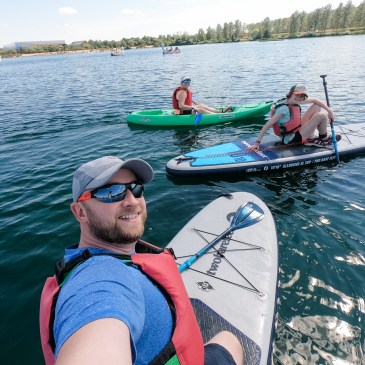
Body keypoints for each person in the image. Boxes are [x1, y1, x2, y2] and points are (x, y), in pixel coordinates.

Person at [39, 156, 244, 365]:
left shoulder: (111, 260)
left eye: (136, 188)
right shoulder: (98, 282)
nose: (132, 201)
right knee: (230, 341)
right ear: (80, 212)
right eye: (111, 193)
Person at [247, 84, 336, 151]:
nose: (299, 98)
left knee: (316, 106)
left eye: (302, 96)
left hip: (297, 131)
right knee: (322, 115)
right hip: (292, 139)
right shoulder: (283, 109)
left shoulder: (293, 101)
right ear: (291, 94)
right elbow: (267, 125)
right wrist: (257, 143)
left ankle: (310, 138)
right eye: (297, 95)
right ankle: (323, 139)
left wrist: (330, 111)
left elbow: (315, 100)